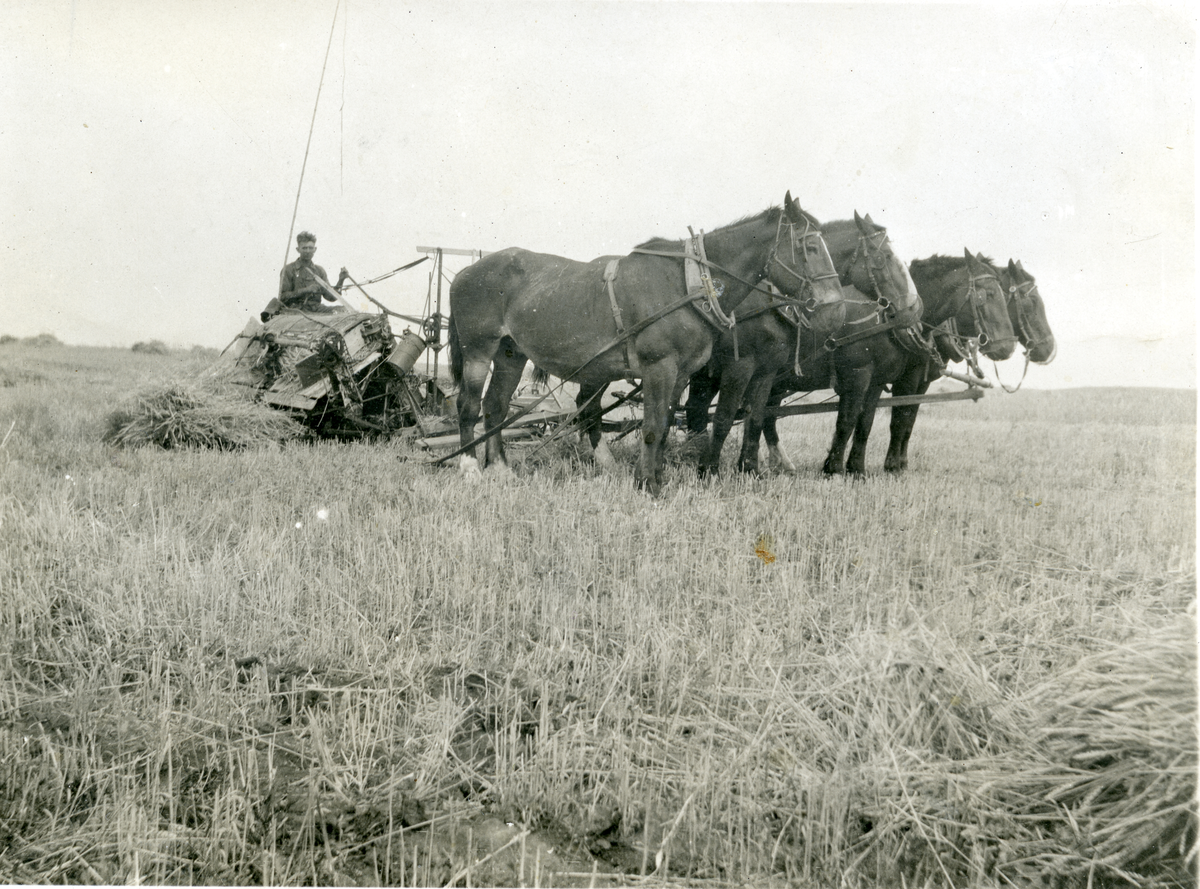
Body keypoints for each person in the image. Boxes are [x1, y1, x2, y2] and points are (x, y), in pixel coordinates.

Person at [276, 231, 349, 312]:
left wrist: (341, 280)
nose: (308, 251)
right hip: (296, 310)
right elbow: (283, 297)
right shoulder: (289, 269)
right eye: (304, 248)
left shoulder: (319, 271)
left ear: (315, 249)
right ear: (298, 249)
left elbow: (331, 297)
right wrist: (306, 290)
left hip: (317, 309)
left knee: (344, 310)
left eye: (310, 248)